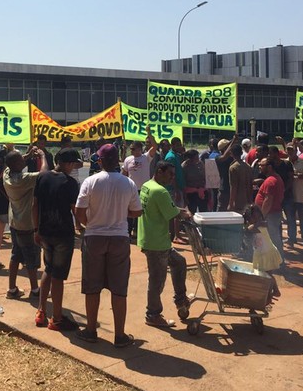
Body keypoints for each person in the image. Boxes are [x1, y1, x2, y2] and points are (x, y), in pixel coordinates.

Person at [75, 144, 142, 347]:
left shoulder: (90, 181)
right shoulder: (128, 183)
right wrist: (122, 214)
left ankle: (91, 330)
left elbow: (79, 212)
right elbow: (137, 212)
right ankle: (119, 335)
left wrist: (93, 223)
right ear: (118, 160)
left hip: (94, 237)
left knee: (92, 287)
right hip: (120, 238)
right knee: (119, 288)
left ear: (101, 161)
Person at [32, 148, 82, 331]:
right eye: (72, 163)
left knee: (49, 269)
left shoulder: (42, 177)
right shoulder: (70, 183)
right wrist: (81, 226)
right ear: (67, 163)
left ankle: (41, 311)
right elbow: (74, 209)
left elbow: (34, 205)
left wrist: (36, 229)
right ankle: (57, 318)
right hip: (63, 233)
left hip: (44, 231)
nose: (73, 167)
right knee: (59, 277)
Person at [138, 161, 192, 328]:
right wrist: (187, 214)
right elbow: (173, 213)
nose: (172, 178)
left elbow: (168, 208)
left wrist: (180, 210)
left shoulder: (147, 185)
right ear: (159, 172)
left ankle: (181, 299)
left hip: (154, 239)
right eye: (170, 174)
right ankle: (153, 314)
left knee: (179, 262)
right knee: (157, 280)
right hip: (156, 243)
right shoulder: (160, 191)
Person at [3, 148, 47, 298]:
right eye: (22, 160)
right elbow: (43, 174)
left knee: (16, 254)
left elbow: (14, 160)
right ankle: (35, 290)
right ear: (16, 164)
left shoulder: (7, 173)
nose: (25, 160)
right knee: (31, 258)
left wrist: (28, 154)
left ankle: (12, 289)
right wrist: (42, 156)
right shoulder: (23, 179)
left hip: (14, 221)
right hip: (27, 224)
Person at [122, 128, 157, 238]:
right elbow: (124, 173)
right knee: (129, 211)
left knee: (140, 212)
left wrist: (149, 133)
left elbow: (155, 146)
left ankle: (137, 232)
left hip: (143, 190)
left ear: (140, 149)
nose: (131, 151)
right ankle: (127, 232)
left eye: (133, 149)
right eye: (130, 149)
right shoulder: (128, 159)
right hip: (130, 189)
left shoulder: (146, 157)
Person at [243, 204, 281, 302]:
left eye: (258, 217)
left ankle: (272, 293)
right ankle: (271, 292)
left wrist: (247, 225)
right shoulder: (258, 225)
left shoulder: (260, 226)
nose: (257, 220)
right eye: (254, 218)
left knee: (267, 276)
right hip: (263, 253)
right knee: (266, 275)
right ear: (248, 219)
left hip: (267, 254)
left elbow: (249, 229)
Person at [254, 157, 285, 262]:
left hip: (269, 215)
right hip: (272, 214)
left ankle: (278, 262)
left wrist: (262, 216)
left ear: (269, 167)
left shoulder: (271, 181)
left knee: (272, 239)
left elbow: (268, 200)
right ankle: (275, 261)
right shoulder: (274, 178)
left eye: (262, 165)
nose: (259, 167)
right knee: (272, 238)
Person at [286, 142, 303, 243]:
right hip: (290, 196)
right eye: (288, 149)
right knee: (290, 219)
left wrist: (296, 175)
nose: (290, 151)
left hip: (301, 195)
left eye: (292, 149)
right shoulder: (285, 163)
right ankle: (292, 238)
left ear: (296, 150)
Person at [228, 143, 253, 213]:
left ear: (231, 154)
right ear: (241, 153)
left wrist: (231, 203)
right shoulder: (248, 167)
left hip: (238, 201)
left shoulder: (233, 168)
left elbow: (234, 187)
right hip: (248, 199)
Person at [215, 137, 237, 212]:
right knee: (222, 210)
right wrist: (233, 141)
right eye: (228, 146)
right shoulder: (218, 158)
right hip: (224, 189)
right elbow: (224, 156)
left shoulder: (232, 158)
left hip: (233, 188)